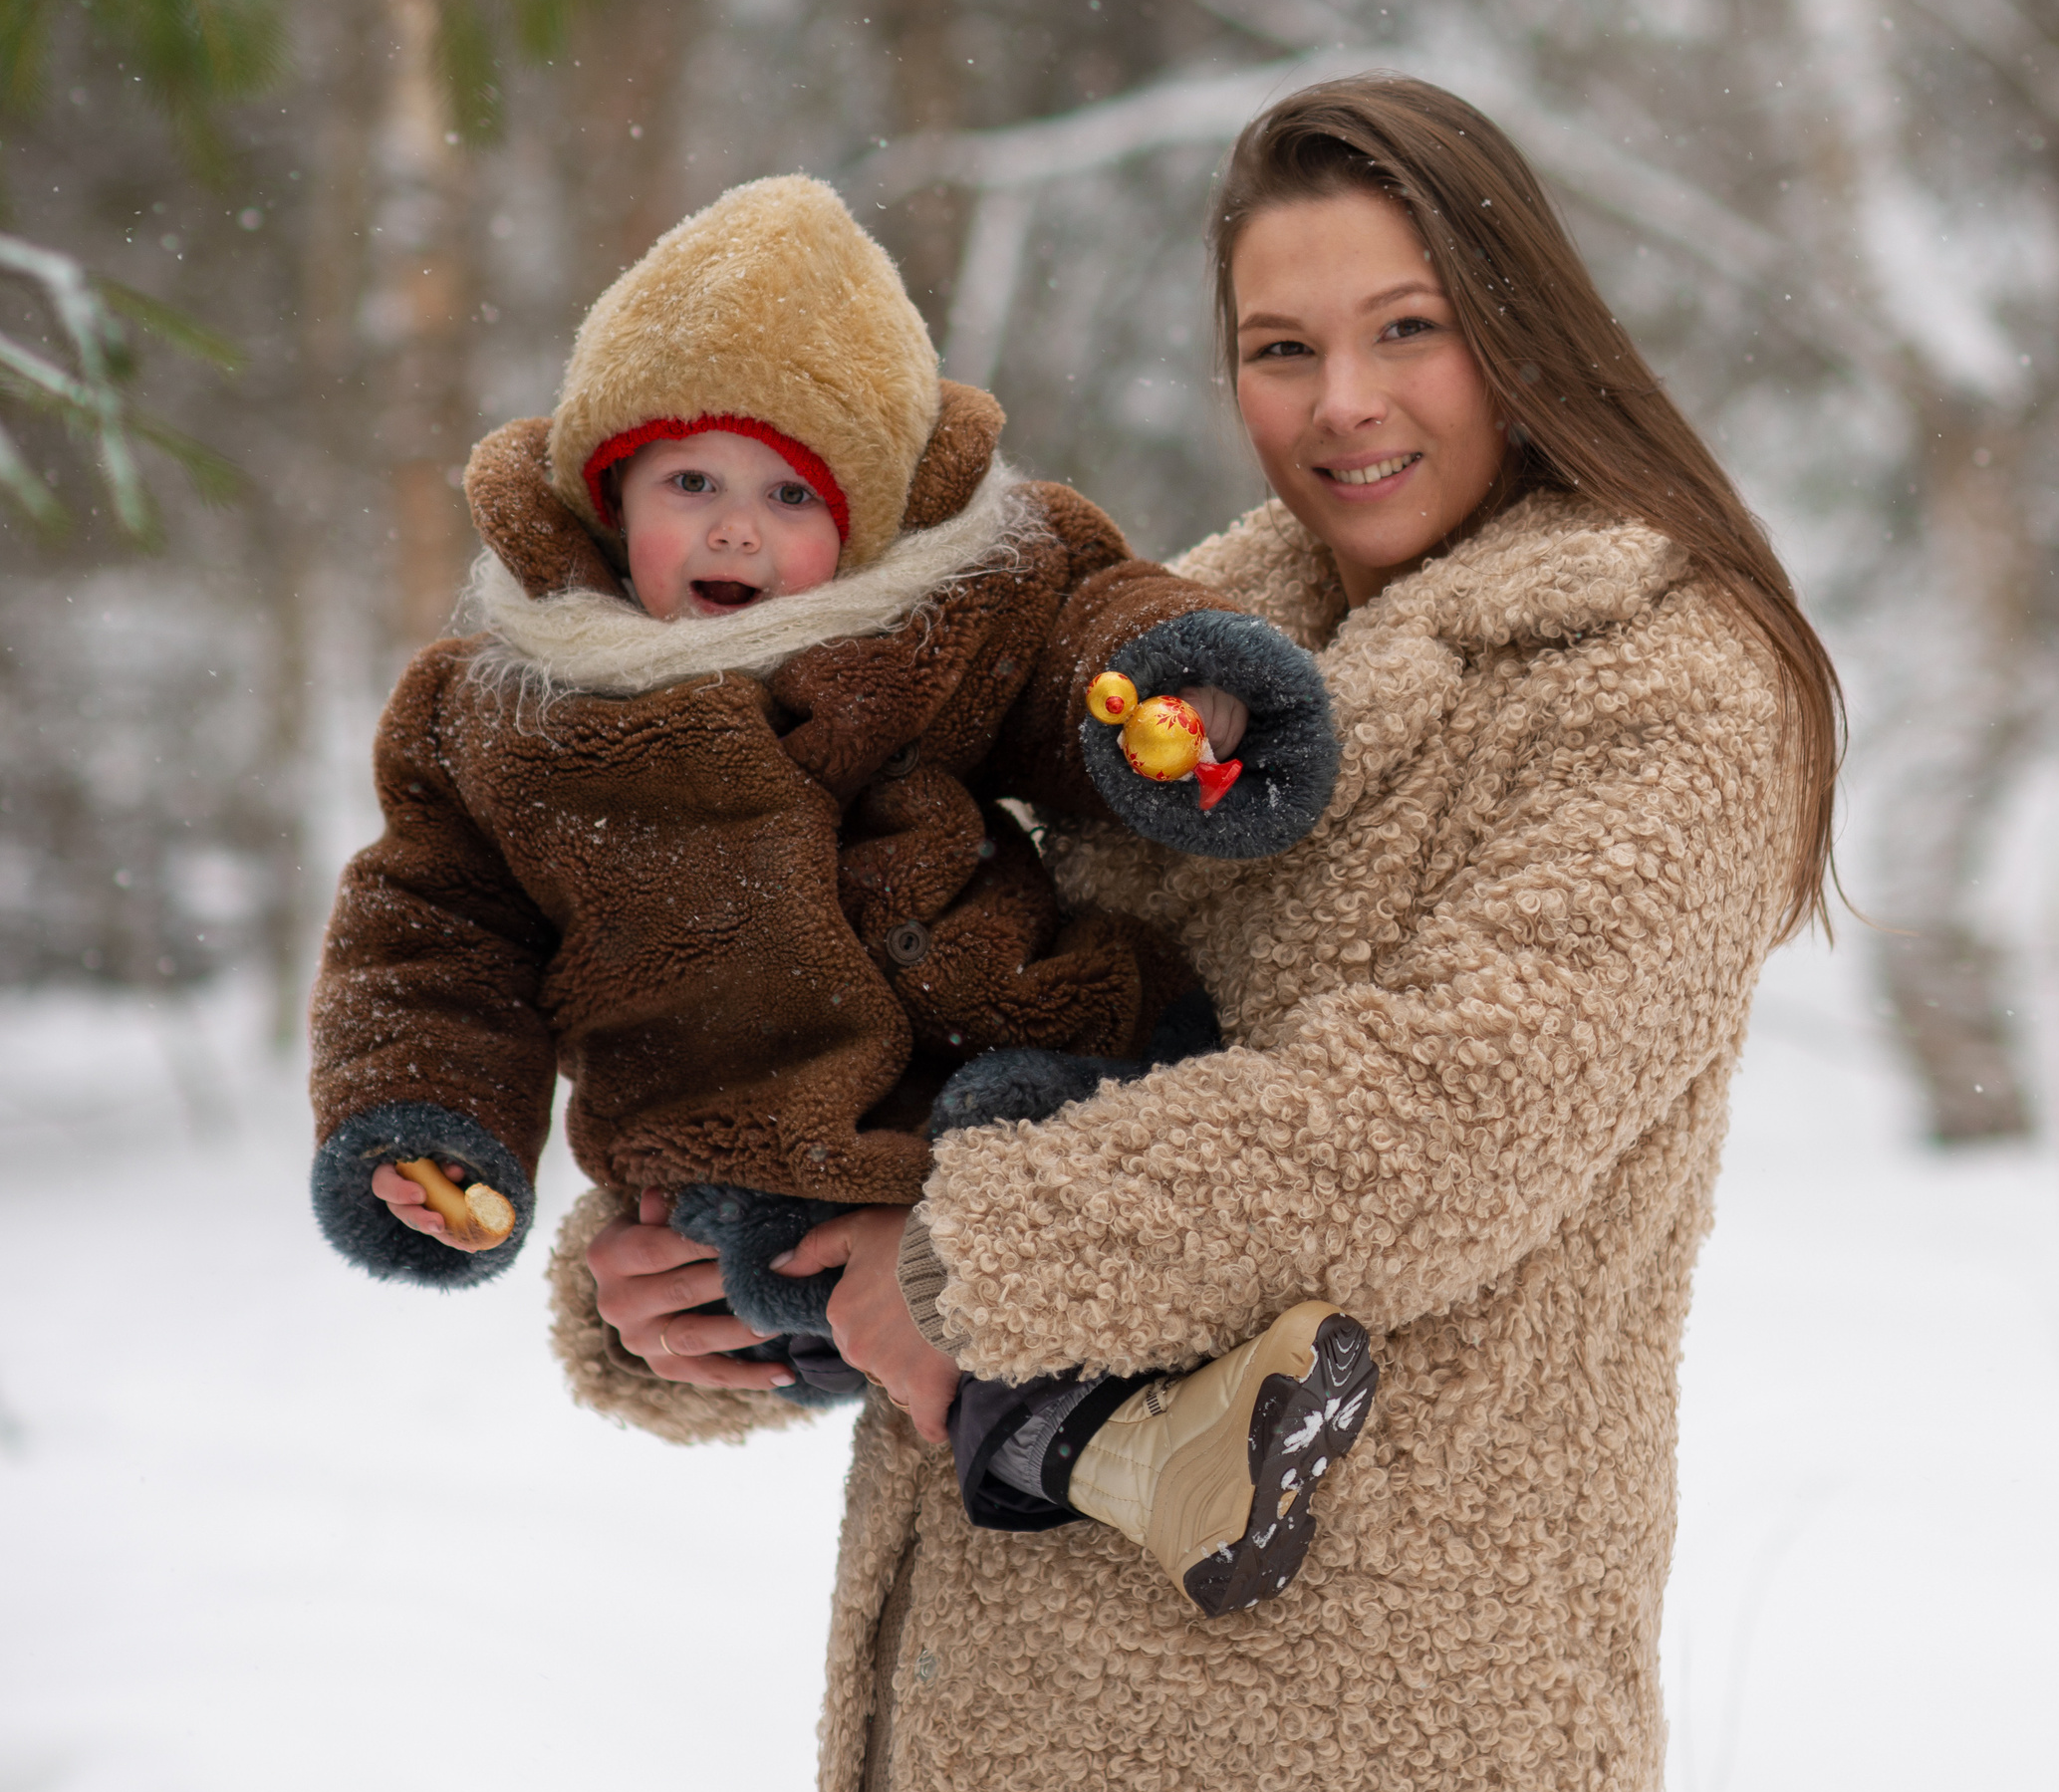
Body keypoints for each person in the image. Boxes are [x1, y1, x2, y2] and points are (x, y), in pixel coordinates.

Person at [569, 76, 1844, 1792]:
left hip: (1389, 1713)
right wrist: (702, 1267)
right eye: (1280, 346)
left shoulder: (1667, 677)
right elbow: (927, 992)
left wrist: (961, 1253)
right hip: (1036, 1710)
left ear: (1519, 324)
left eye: (1405, 328)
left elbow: (1438, 1115)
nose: (1341, 402)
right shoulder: (1177, 656)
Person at [306, 171, 1365, 1608]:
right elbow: (432, 937)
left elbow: (1078, 631)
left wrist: (1174, 704)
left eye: (790, 494)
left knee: (1041, 1131)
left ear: (863, 521)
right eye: (693, 484)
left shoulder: (929, 617)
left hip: (1010, 1032)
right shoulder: (510, 713)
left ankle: (1159, 1412)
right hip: (756, 1153)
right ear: (606, 495)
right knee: (777, 1264)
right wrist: (422, 1123)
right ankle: (1134, 1463)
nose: (736, 532)